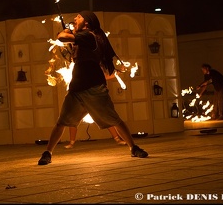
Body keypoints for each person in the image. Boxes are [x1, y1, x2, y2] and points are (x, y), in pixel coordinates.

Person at [38, 10, 148, 165]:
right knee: (62, 122)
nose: (75, 19)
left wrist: (66, 31)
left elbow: (62, 37)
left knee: (114, 119)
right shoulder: (84, 38)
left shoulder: (89, 36)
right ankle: (47, 152)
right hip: (77, 88)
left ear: (87, 23)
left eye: (79, 17)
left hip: (94, 88)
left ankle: (134, 148)